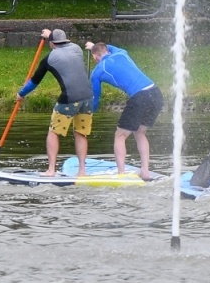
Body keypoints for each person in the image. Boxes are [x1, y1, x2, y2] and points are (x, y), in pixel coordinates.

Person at [19, 28, 95, 178]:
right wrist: (50, 36)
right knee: (80, 133)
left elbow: (34, 82)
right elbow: (60, 42)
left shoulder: (49, 59)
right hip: (88, 97)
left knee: (53, 133)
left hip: (69, 98)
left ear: (52, 44)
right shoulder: (76, 49)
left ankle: (51, 170)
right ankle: (82, 172)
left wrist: (20, 94)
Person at [87, 41, 164, 180]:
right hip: (156, 93)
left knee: (120, 135)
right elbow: (108, 47)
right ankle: (145, 171)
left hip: (140, 97)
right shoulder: (121, 52)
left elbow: (95, 98)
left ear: (95, 57)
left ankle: (121, 174)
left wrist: (90, 112)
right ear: (107, 51)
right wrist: (93, 46)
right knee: (140, 132)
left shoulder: (97, 71)